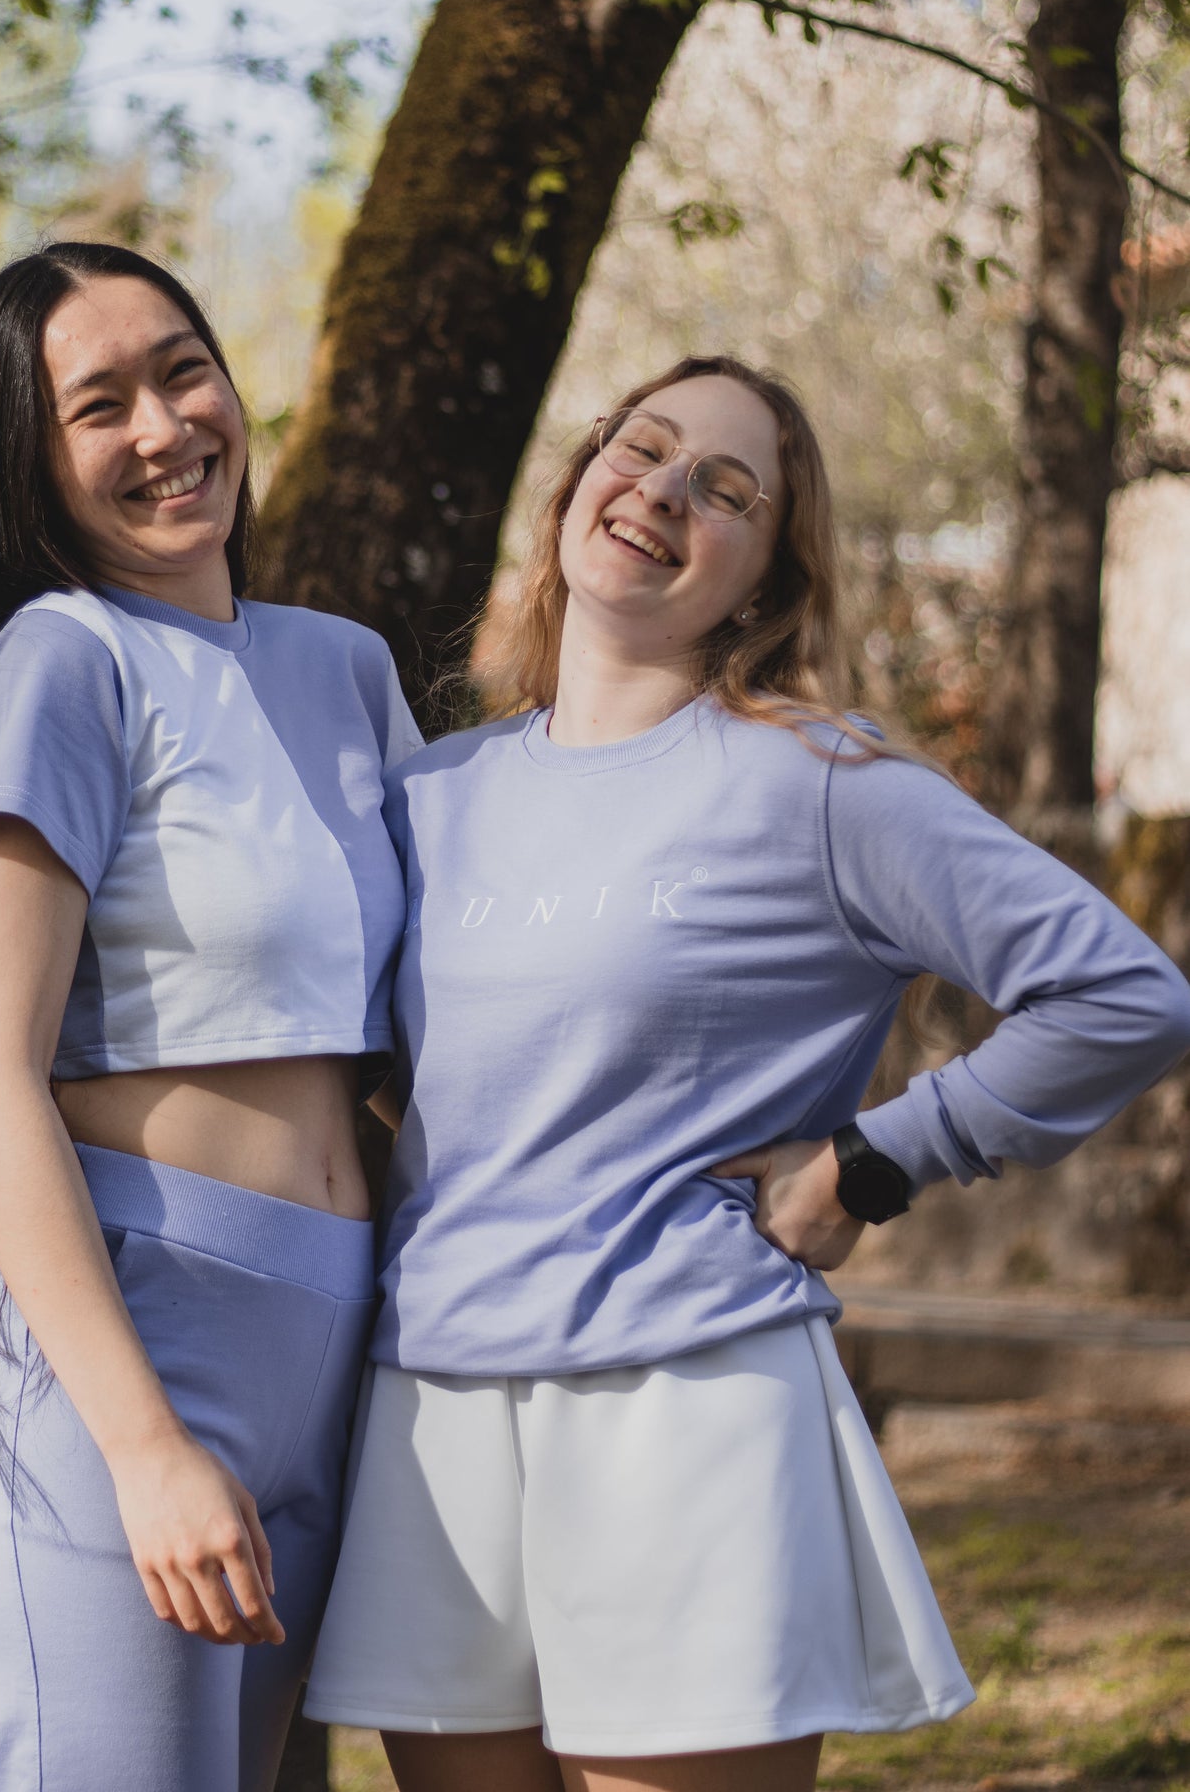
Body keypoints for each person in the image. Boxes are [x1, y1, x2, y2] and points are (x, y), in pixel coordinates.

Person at [299, 356, 1190, 1792]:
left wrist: (874, 1159)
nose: (660, 492)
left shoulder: (818, 781)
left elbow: (1121, 994)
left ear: (765, 582)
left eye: (724, 490)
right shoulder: (429, 796)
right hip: (432, 1410)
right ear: (578, 480)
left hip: (685, 1404)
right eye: (638, 449)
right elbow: (335, 1069)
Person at [0, 242, 419, 1792]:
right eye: (100, 405)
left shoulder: (342, 670)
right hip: (131, 1352)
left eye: (182, 368)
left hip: (338, 1338)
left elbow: (445, 1015)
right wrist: (147, 1447)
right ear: (29, 461)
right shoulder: (60, 662)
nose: (163, 426)